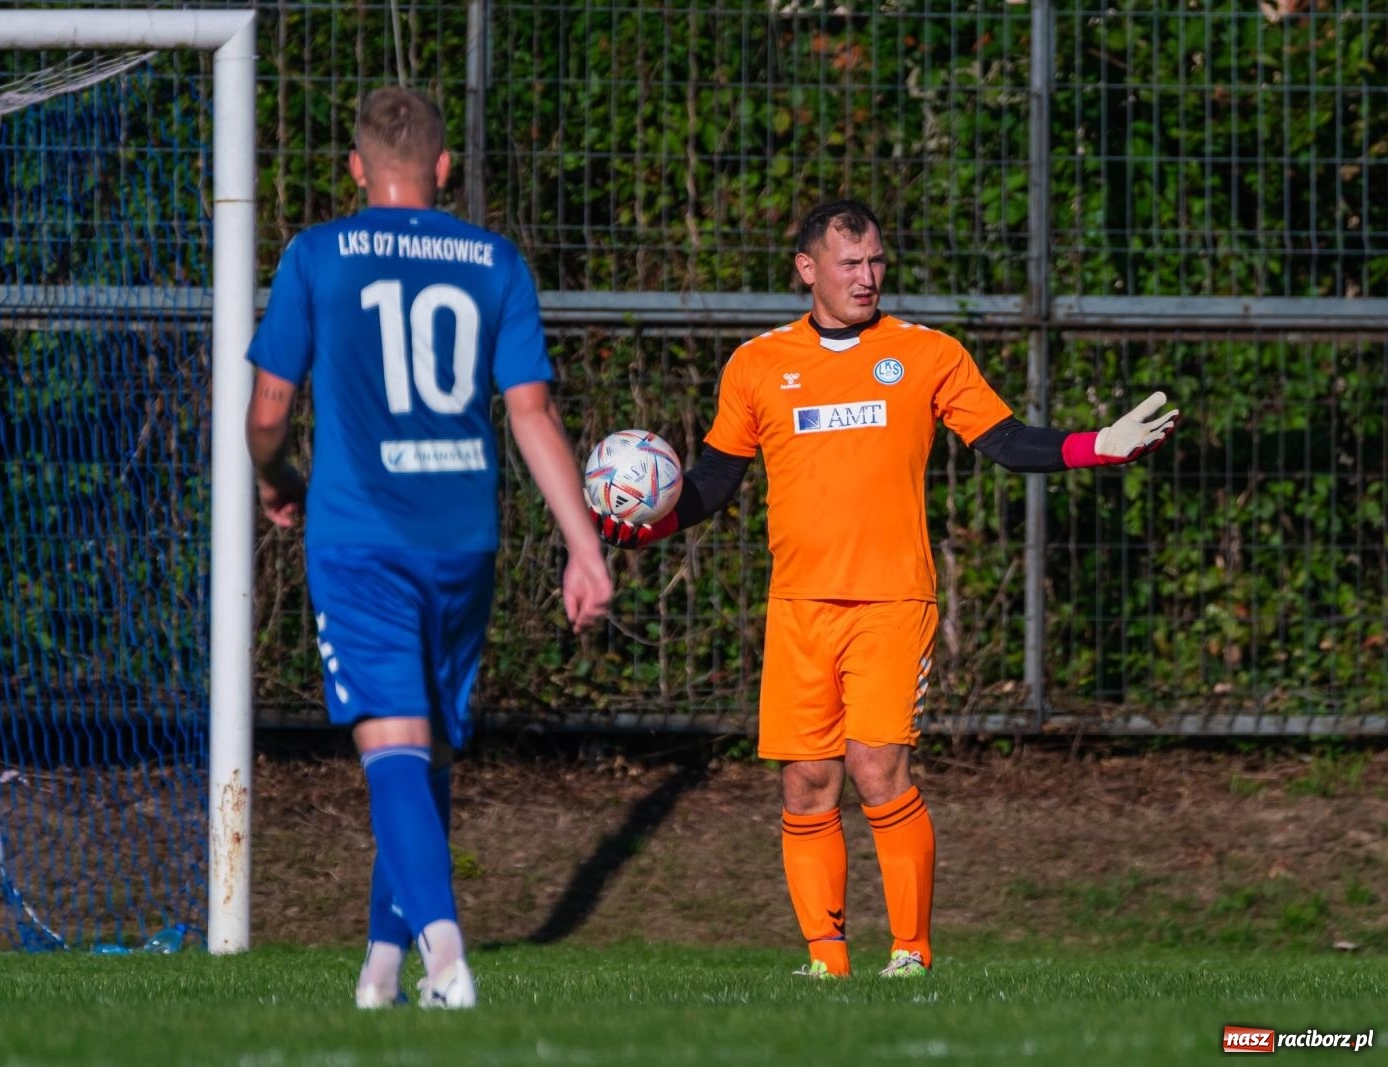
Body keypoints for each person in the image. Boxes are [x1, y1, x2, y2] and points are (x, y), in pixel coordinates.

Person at [594, 198, 1178, 980]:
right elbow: (711, 482)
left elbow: (1006, 442)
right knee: (807, 779)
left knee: (876, 765)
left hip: (894, 599)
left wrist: (1095, 444)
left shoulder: (927, 353)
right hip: (799, 606)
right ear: (807, 269)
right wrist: (642, 529)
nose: (867, 277)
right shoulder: (757, 364)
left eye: (875, 261)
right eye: (850, 263)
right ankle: (827, 963)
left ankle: (910, 953)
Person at [246, 86, 613, 1009]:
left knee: (395, 745)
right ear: (445, 169)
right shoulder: (495, 260)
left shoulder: (316, 254)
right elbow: (532, 412)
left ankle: (445, 958)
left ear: (356, 169)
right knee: (431, 751)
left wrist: (276, 475)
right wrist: (585, 547)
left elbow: (268, 412)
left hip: (360, 534)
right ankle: (382, 966)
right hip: (462, 540)